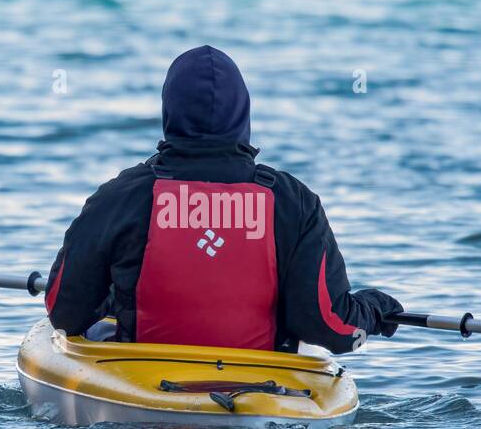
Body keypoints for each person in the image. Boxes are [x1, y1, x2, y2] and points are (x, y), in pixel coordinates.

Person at [42, 45, 403, 353]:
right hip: (265, 395)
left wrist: (117, 297)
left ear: (169, 111)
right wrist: (373, 309)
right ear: (243, 112)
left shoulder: (121, 196)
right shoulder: (293, 202)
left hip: (141, 389)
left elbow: (64, 312)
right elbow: (331, 326)